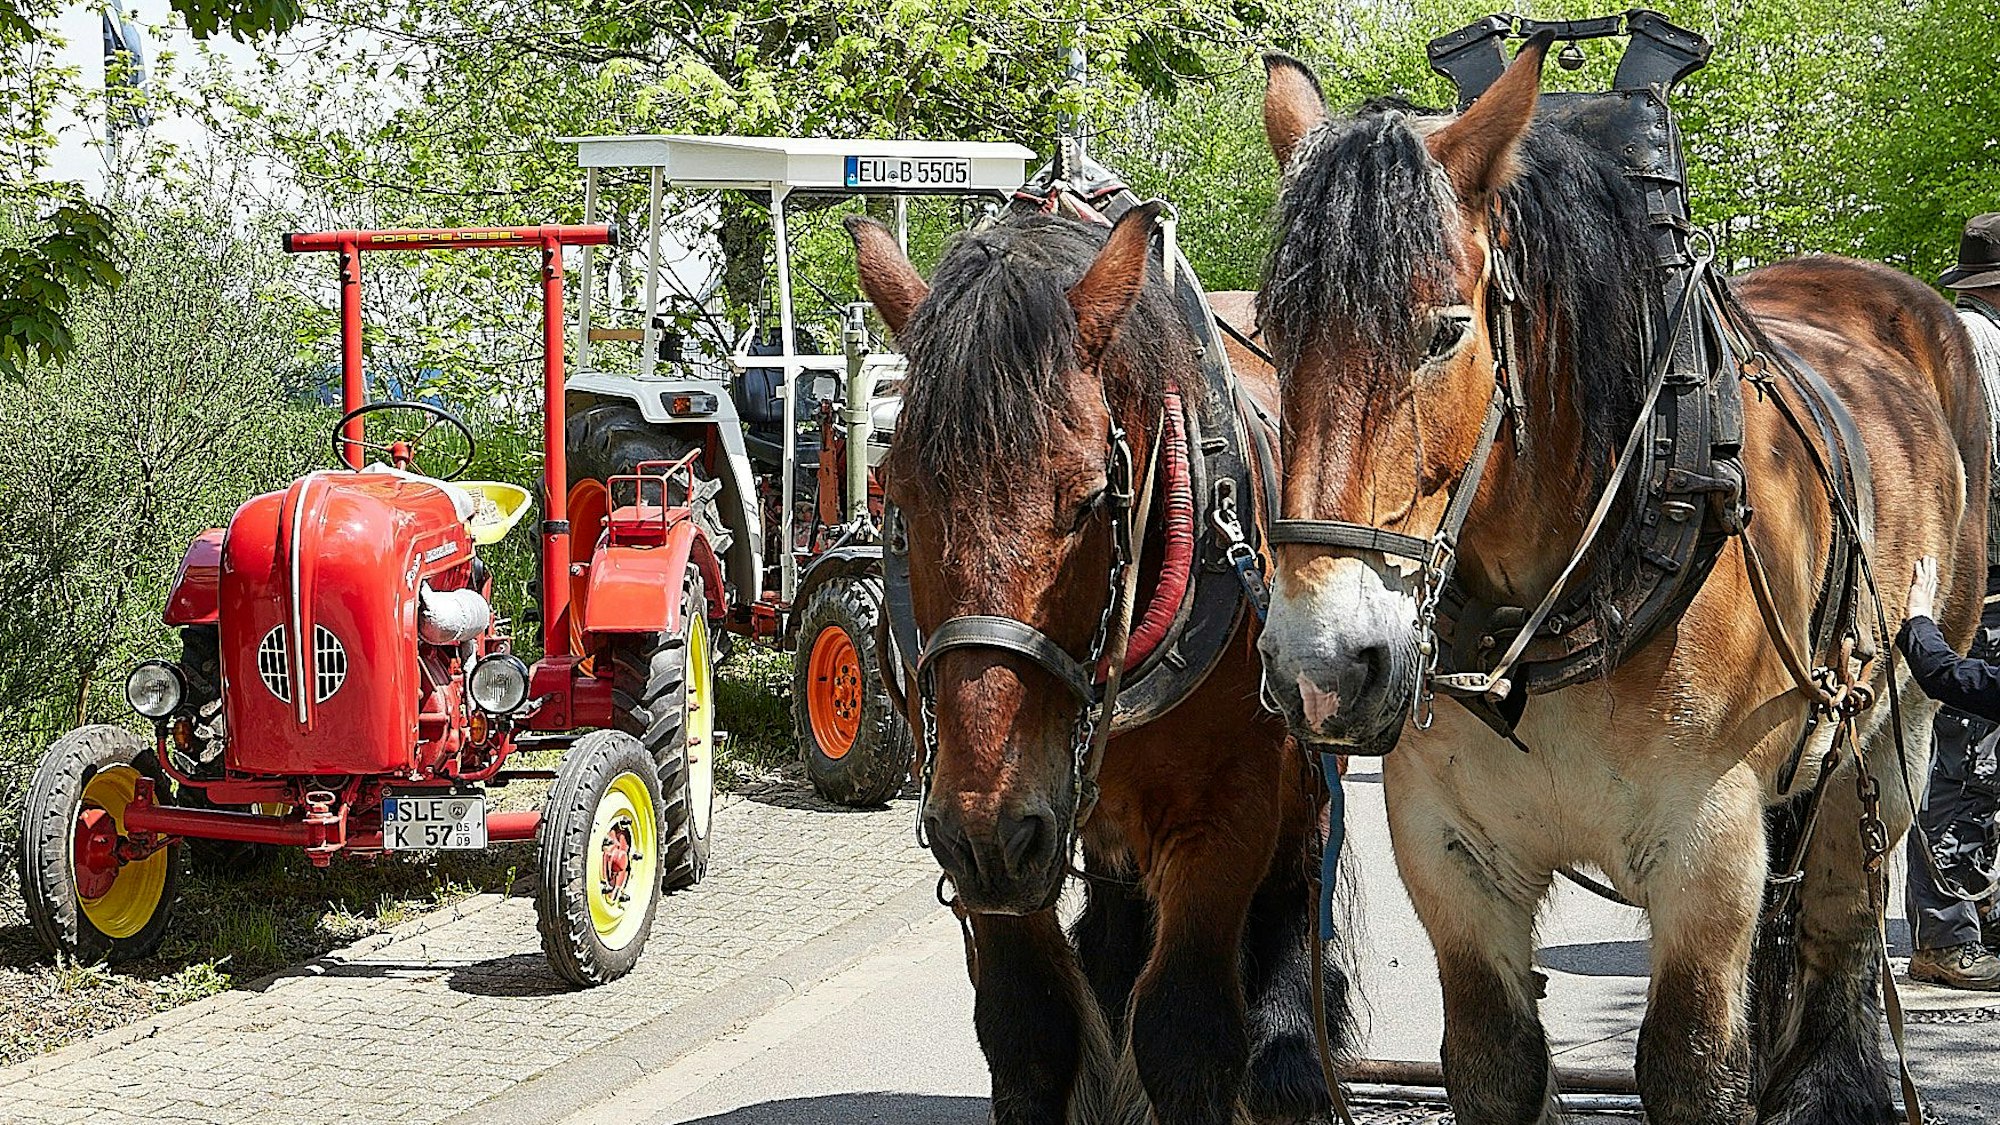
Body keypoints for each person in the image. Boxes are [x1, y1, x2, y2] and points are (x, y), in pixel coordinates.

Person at [1897, 214, 2000, 989]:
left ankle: (1968, 919)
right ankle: (1947, 931)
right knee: (1965, 757)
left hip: (1973, 563)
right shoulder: (1979, 343)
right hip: (1982, 571)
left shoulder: (1960, 335)